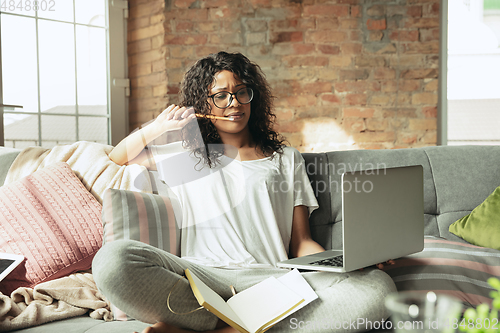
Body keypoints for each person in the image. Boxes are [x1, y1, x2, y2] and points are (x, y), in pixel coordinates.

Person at [92, 51, 396, 333]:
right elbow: (117, 157)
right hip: (200, 278)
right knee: (111, 261)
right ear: (203, 105)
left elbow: (301, 243)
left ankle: (216, 328)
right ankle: (246, 324)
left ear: (253, 96)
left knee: (378, 287)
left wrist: (345, 262)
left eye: (240, 92)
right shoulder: (185, 157)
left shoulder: (284, 159)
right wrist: (155, 128)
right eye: (221, 96)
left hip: (273, 281)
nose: (234, 103)